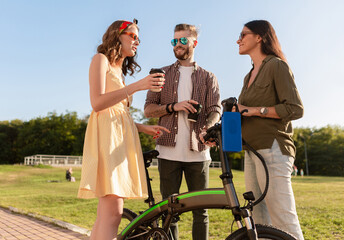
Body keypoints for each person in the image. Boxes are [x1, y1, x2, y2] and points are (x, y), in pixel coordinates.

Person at [77, 19, 170, 240]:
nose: (137, 41)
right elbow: (97, 103)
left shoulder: (120, 71)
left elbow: (118, 113)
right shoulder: (101, 60)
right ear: (117, 35)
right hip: (107, 139)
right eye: (132, 35)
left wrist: (141, 127)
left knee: (107, 213)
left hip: (119, 137)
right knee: (113, 211)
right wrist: (139, 86)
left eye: (138, 37)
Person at [144, 23, 221, 240]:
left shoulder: (209, 77)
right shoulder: (161, 74)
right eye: (174, 41)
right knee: (170, 212)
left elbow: (215, 109)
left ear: (194, 43)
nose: (178, 45)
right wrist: (172, 107)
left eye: (183, 40)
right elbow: (148, 109)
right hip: (167, 153)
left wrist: (208, 125)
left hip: (199, 153)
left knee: (201, 212)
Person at [235, 20, 304, 239]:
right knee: (259, 221)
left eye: (243, 34)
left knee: (283, 218)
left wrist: (254, 110)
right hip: (251, 151)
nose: (238, 39)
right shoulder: (248, 76)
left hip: (273, 148)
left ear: (259, 37)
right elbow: (244, 113)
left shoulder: (276, 65)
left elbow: (295, 108)